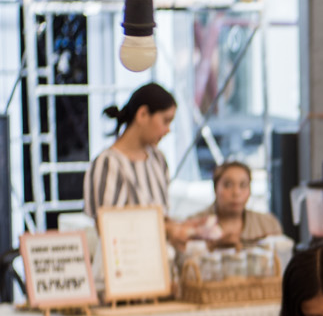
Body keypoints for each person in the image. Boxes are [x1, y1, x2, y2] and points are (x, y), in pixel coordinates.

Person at [83, 82, 192, 245]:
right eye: (165, 121)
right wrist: (168, 230)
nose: (168, 130)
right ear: (142, 114)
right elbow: (107, 229)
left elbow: (162, 215)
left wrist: (186, 227)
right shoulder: (107, 163)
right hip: (124, 265)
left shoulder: (158, 158)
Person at [184, 160, 287, 247]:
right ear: (215, 188)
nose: (236, 193)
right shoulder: (193, 225)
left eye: (243, 185)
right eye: (228, 185)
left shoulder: (268, 225)